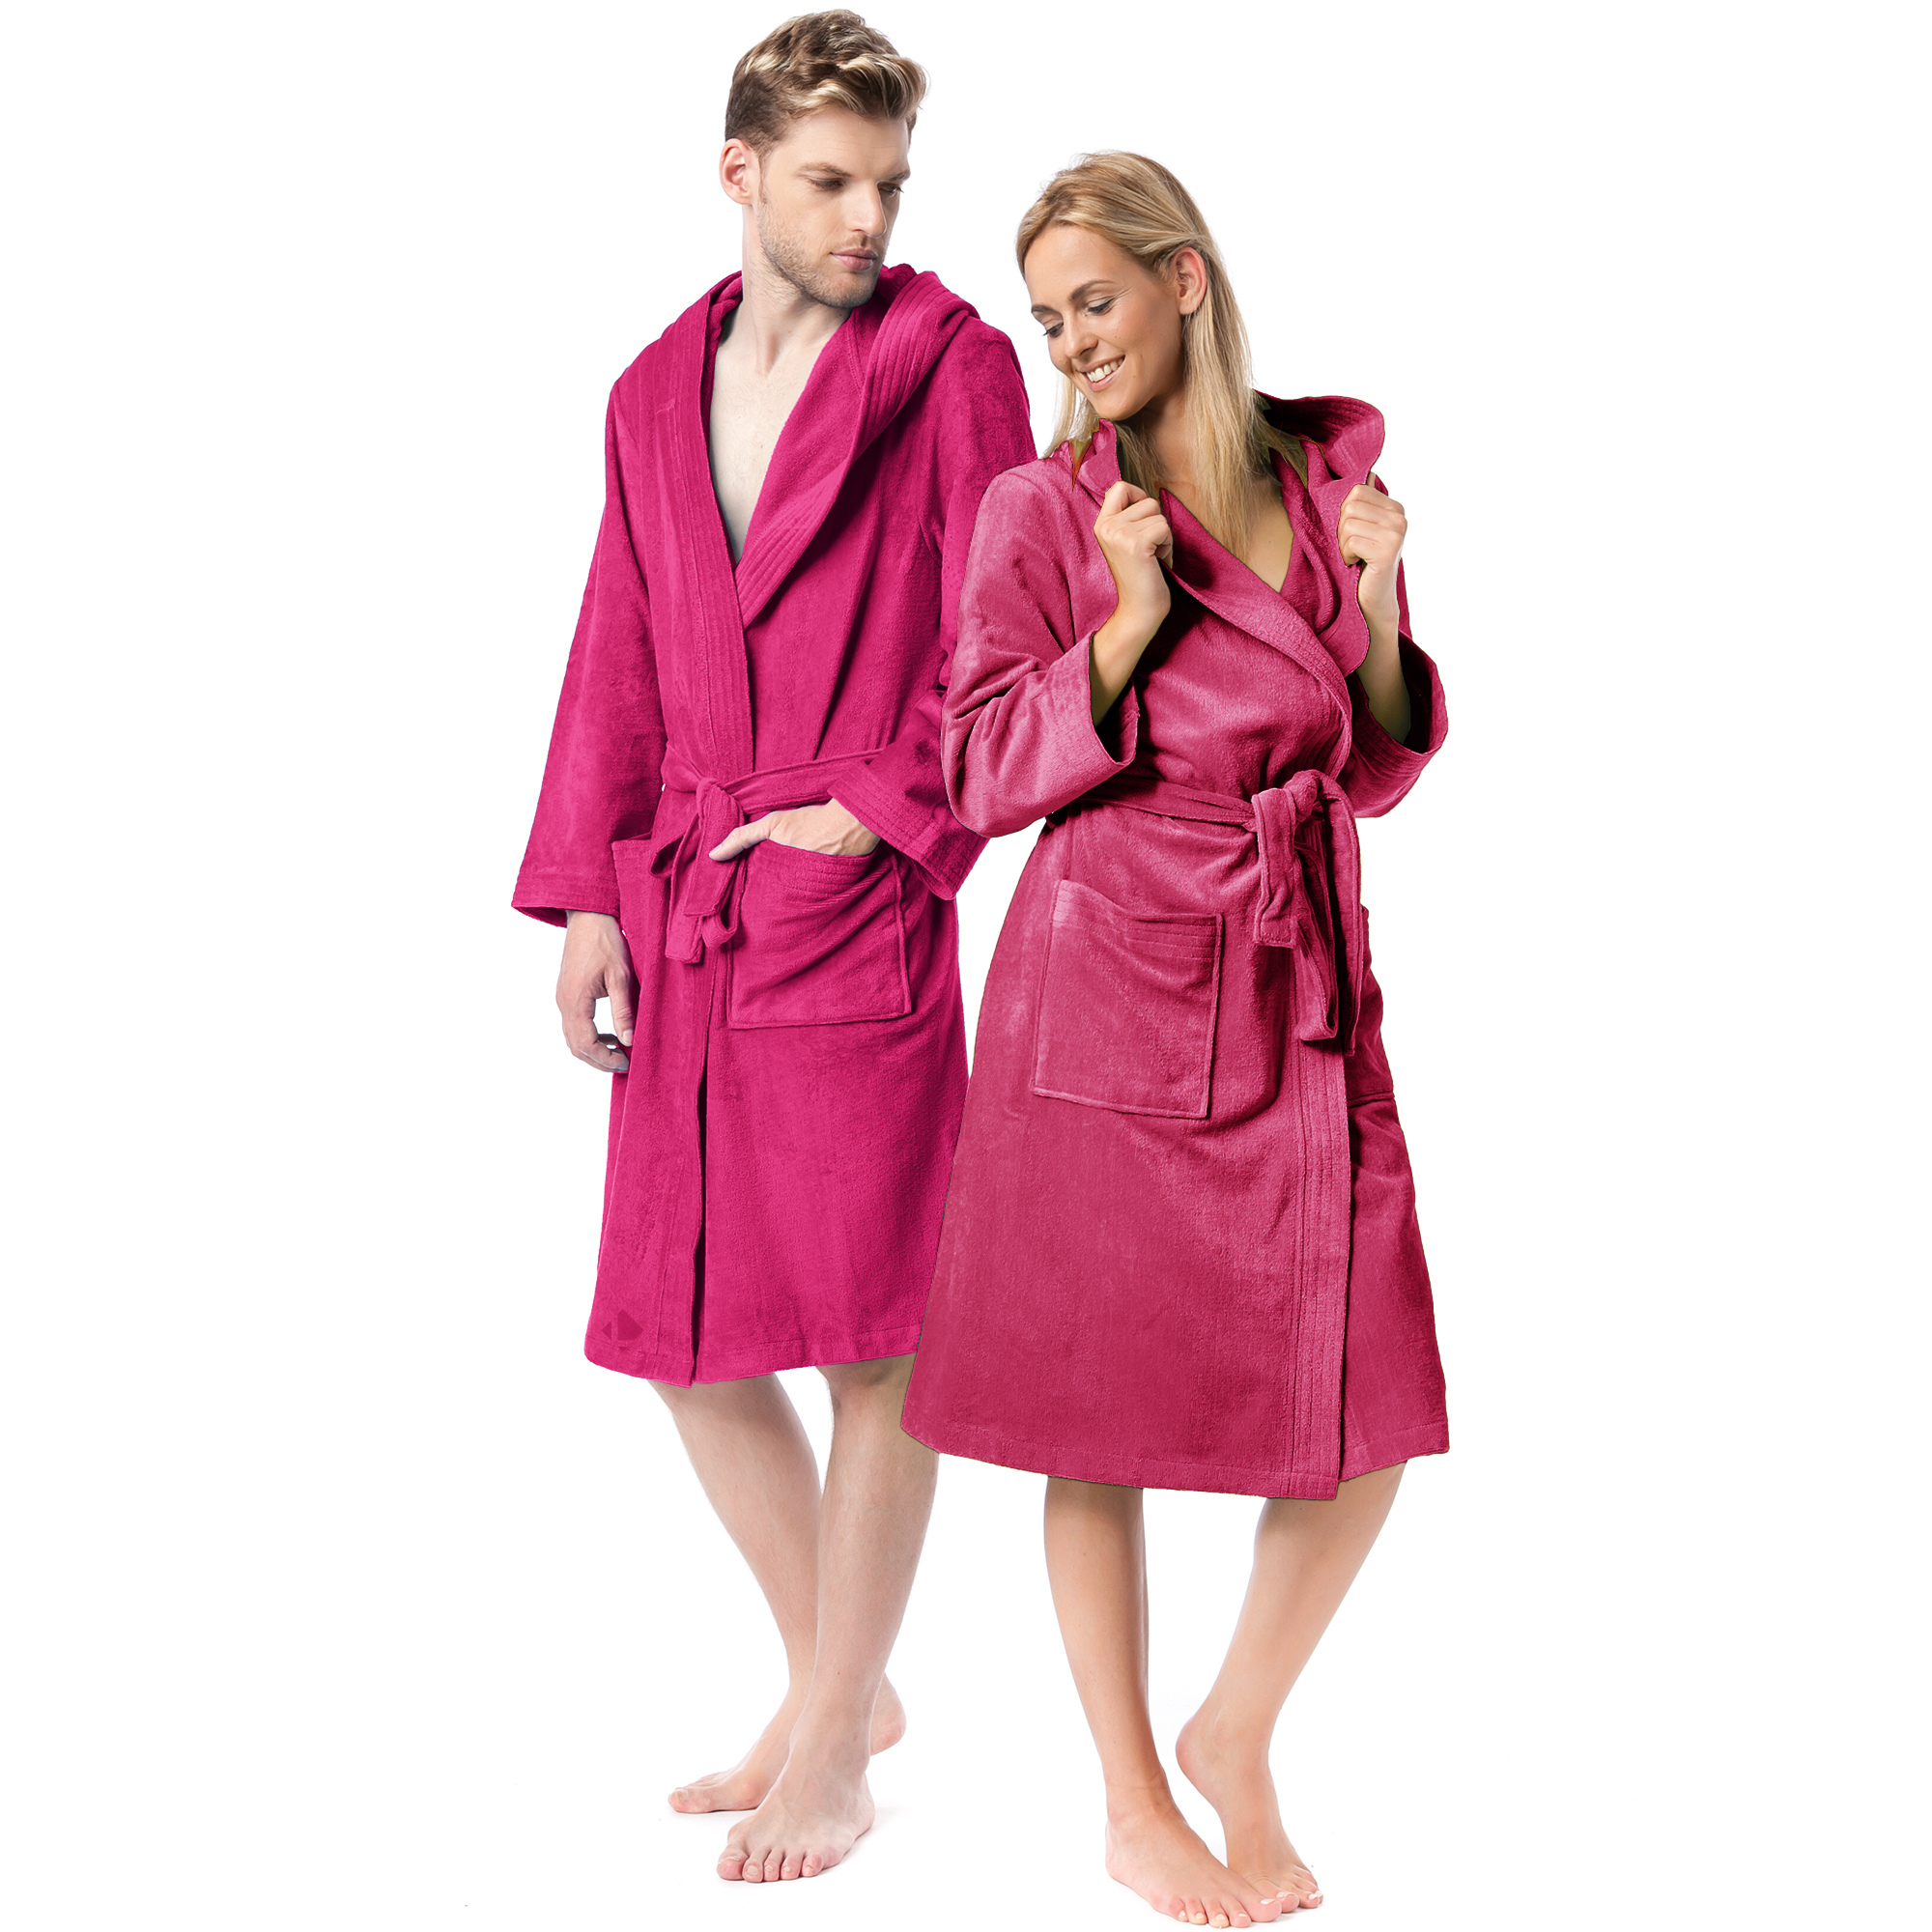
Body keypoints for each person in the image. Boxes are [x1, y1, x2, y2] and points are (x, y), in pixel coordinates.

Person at [511, 12, 1033, 1884]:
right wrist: (590, 893)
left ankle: (831, 1739)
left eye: (889, 181)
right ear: (737, 173)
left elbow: (1016, 630)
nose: (867, 217)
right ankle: (844, 1682)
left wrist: (879, 814)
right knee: (680, 1331)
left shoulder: (951, 369)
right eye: (828, 180)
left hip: (849, 899)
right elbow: (619, 635)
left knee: (876, 1339)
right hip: (688, 900)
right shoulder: (652, 390)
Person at [901, 153, 1449, 1928]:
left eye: (1098, 301)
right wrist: (1127, 628)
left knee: (1374, 1404)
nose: (1073, 342)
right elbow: (978, 769)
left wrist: (1379, 613)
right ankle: (1133, 1804)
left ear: (1185, 282)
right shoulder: (1045, 509)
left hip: (1299, 978)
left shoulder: (1317, 483)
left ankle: (1235, 1729)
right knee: (1093, 1415)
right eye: (1049, 318)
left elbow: (1371, 764)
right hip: (1110, 979)